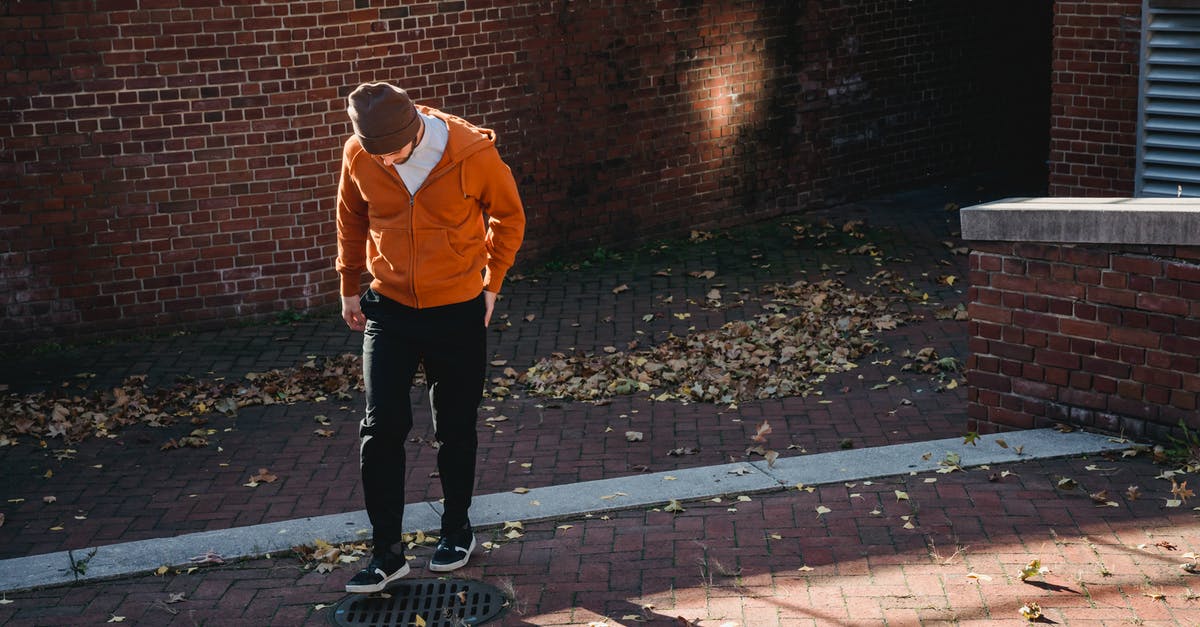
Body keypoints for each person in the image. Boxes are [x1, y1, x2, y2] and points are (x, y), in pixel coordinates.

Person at [334, 82, 525, 594]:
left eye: (395, 151)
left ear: (416, 128)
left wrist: (492, 283)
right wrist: (349, 286)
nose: (389, 162)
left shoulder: (471, 152)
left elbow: (510, 216)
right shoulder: (361, 153)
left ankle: (457, 530)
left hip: (458, 310)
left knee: (455, 428)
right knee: (379, 430)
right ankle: (386, 553)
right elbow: (351, 218)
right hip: (389, 308)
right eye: (379, 154)